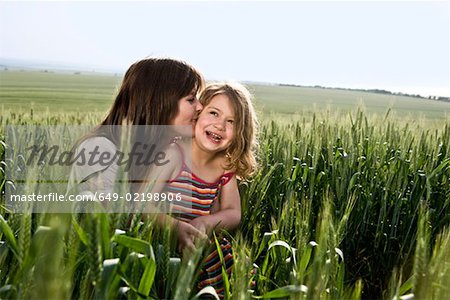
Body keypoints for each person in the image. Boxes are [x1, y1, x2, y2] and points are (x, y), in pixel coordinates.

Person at [67, 57, 208, 244]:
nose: (200, 107)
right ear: (160, 103)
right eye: (191, 99)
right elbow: (116, 214)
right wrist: (172, 226)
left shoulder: (165, 151)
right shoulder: (99, 148)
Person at [146, 82, 259, 296]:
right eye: (214, 113)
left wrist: (205, 222)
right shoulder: (174, 154)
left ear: (240, 132)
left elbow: (233, 212)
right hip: (162, 243)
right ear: (197, 114)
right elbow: (142, 204)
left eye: (231, 122)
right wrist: (175, 227)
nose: (220, 125)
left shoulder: (225, 166)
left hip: (200, 245)